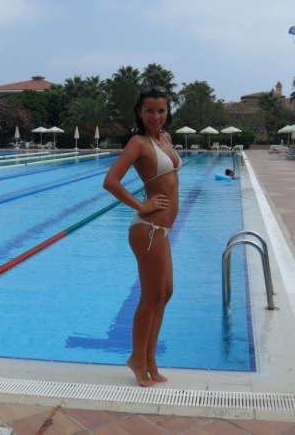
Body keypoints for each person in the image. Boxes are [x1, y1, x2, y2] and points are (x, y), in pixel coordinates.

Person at [103, 87, 181, 388]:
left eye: (161, 110)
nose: (156, 116)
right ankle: (137, 359)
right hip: (148, 230)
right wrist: (141, 205)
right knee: (151, 296)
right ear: (140, 112)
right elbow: (111, 181)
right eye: (150, 110)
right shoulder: (138, 143)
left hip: (162, 230)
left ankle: (149, 359)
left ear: (167, 112)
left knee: (165, 293)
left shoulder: (165, 139)